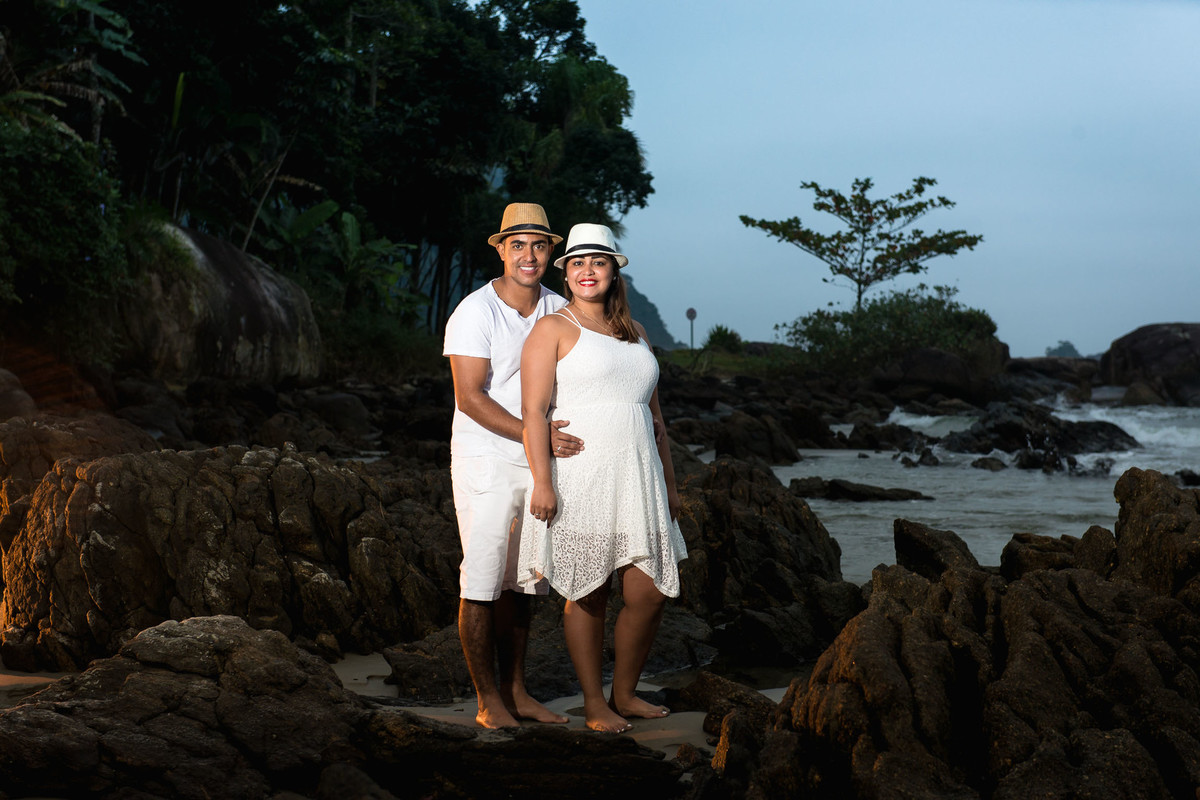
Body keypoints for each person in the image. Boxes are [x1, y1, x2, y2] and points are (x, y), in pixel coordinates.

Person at [517, 223, 687, 734]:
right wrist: (542, 482)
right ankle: (595, 703)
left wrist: (671, 484)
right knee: (587, 592)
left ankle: (626, 693)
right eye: (577, 263)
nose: (587, 270)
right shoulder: (552, 329)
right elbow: (533, 415)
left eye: (599, 262)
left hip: (640, 480)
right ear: (566, 273)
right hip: (581, 478)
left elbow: (656, 421)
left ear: (614, 272)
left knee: (650, 593)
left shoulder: (637, 336)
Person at [443, 202, 584, 729]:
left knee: (525, 581)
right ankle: (487, 702)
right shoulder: (475, 311)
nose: (529, 255)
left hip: (539, 466)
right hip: (487, 460)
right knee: (482, 579)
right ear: (501, 249)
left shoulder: (560, 309)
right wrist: (539, 436)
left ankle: (517, 691)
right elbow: (470, 397)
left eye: (540, 245)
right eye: (518, 244)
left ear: (552, 253)